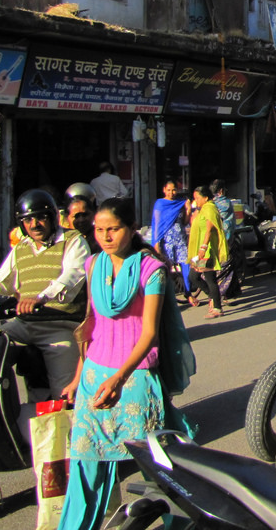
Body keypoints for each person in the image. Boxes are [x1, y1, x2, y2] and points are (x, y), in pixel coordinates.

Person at [58, 197, 191, 530]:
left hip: (136, 377)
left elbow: (149, 334)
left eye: (113, 229)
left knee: (157, 464)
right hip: (94, 374)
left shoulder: (152, 270)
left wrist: (119, 378)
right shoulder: (92, 265)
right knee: (85, 465)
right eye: (99, 230)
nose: (105, 236)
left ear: (132, 229)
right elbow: (92, 325)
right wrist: (78, 377)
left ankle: (185, 522)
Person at [0, 189, 90, 401]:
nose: (34, 224)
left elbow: (71, 276)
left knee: (65, 393)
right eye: (28, 219)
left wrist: (40, 298)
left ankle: (67, 426)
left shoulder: (72, 241)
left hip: (59, 326)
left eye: (40, 217)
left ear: (52, 218)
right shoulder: (21, 248)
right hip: (23, 324)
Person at [187, 185, 228, 319]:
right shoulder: (201, 209)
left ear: (205, 198)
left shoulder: (210, 208)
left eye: (197, 198)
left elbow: (210, 229)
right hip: (199, 250)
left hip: (207, 249)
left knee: (210, 279)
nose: (196, 201)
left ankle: (217, 307)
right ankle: (212, 296)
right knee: (193, 276)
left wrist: (203, 247)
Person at [150, 178, 191, 291]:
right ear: (164, 190)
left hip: (180, 239)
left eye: (174, 190)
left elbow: (185, 222)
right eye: (168, 190)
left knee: (185, 264)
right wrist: (156, 243)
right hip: (166, 241)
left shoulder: (180, 203)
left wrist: (188, 210)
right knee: (167, 267)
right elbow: (157, 224)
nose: (171, 193)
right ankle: (167, 293)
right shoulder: (160, 204)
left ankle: (188, 292)